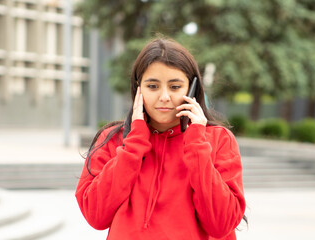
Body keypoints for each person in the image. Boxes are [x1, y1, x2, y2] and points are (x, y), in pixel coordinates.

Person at [75, 37, 246, 240]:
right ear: (138, 89)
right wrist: (134, 144)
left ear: (192, 90)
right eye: (153, 86)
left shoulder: (218, 140)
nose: (164, 96)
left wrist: (196, 144)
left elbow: (221, 224)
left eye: (175, 87)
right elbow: (96, 215)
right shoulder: (114, 140)